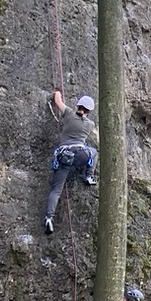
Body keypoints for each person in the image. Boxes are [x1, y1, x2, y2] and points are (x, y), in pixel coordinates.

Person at [43, 89, 98, 234]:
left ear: (77, 106)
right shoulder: (90, 124)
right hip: (81, 155)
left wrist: (57, 92)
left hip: (65, 155)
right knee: (94, 152)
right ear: (89, 111)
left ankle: (49, 218)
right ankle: (89, 176)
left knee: (56, 190)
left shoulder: (68, 113)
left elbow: (57, 101)